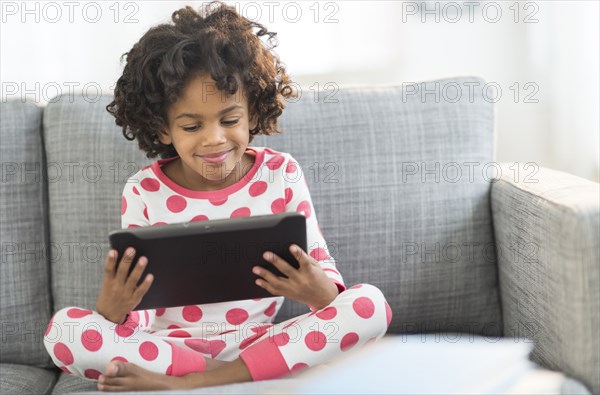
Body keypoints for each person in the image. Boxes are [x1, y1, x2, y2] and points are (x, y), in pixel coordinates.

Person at [43, 1, 392, 391]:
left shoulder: (281, 173)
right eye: (192, 126)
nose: (214, 139)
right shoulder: (144, 189)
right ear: (162, 128)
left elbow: (325, 278)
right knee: (63, 332)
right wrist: (114, 311)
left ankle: (196, 383)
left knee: (369, 306)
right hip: (168, 349)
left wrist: (318, 292)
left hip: (258, 343)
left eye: (229, 120)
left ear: (253, 113)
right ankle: (212, 374)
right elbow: (140, 312)